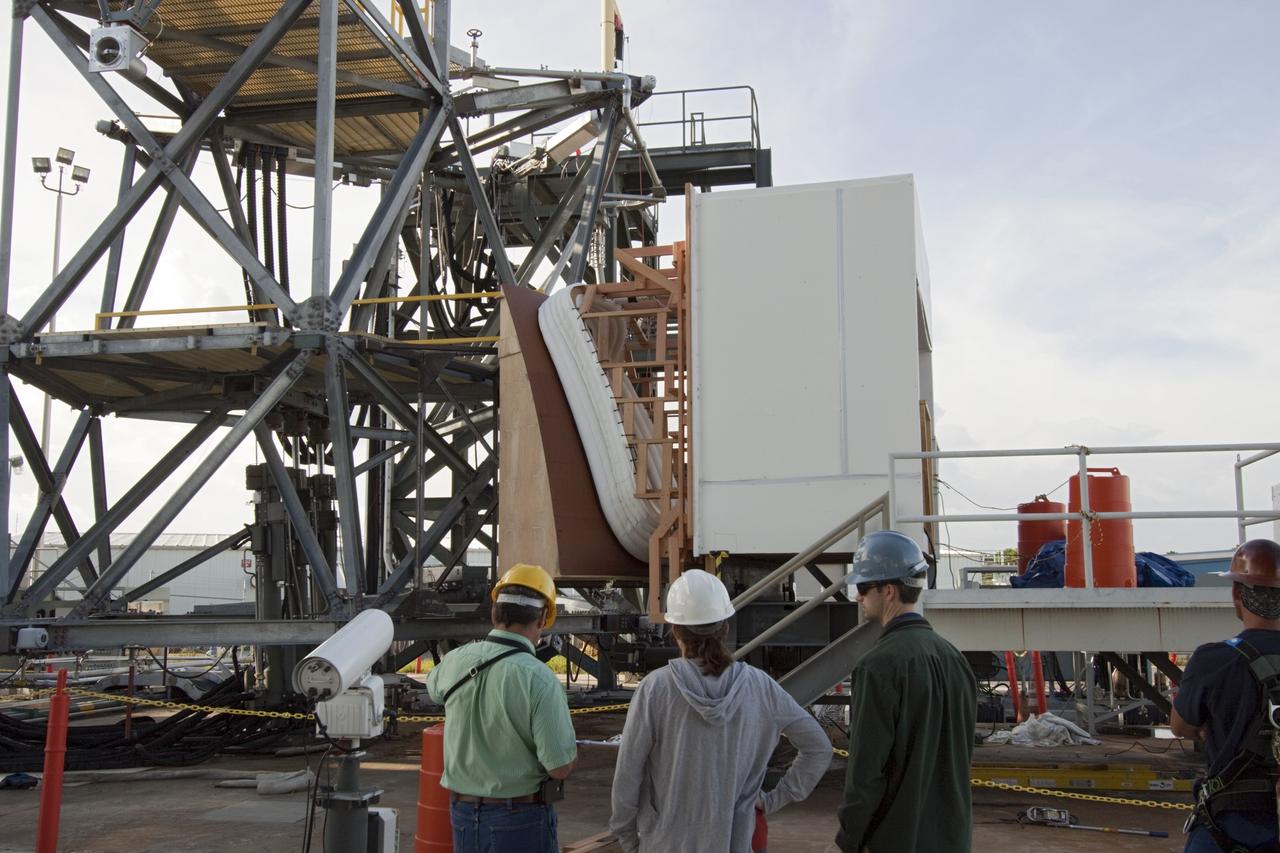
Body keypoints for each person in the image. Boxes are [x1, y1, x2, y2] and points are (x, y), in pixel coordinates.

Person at [610, 569, 832, 853]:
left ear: (675, 631)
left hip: (665, 844)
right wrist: (775, 799)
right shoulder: (760, 687)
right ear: (726, 627)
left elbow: (627, 776)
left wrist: (629, 841)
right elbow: (818, 748)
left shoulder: (656, 690)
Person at [834, 530, 977, 853]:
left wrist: (848, 839)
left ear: (888, 591)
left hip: (896, 839)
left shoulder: (878, 666)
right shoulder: (955, 659)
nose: (858, 597)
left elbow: (866, 774)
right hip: (952, 838)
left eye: (862, 587)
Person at [426, 563, 577, 853]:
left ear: (495, 612)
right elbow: (558, 767)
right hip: (519, 820)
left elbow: (434, 691)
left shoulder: (456, 661)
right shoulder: (540, 679)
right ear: (544, 618)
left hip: (462, 815)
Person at [1173, 539, 1280, 853]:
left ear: (1236, 593)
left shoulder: (1214, 660)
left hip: (1229, 827)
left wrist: (1212, 724)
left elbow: (1180, 727)